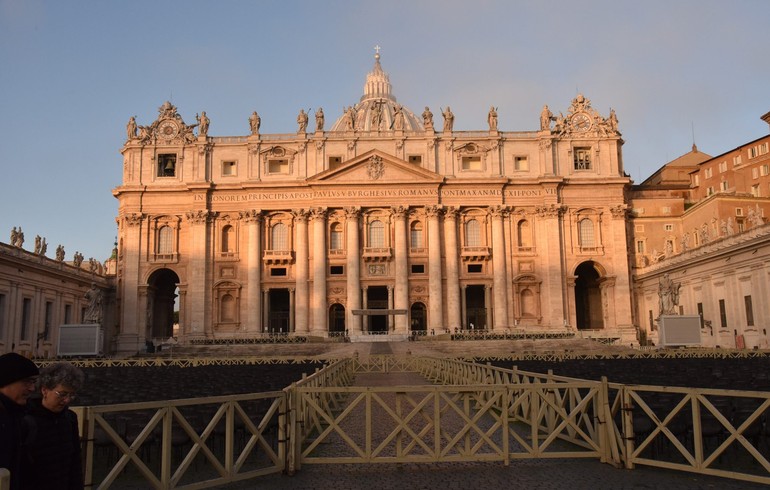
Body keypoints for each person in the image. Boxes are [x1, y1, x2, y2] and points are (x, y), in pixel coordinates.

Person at [21, 362, 85, 490]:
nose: (67, 400)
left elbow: (75, 462)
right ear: (44, 390)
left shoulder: (70, 418)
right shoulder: (25, 419)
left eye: (71, 395)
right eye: (62, 394)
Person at [0, 353, 39, 490]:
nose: (32, 388)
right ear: (5, 381)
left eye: (33, 382)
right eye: (26, 381)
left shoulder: (18, 414)